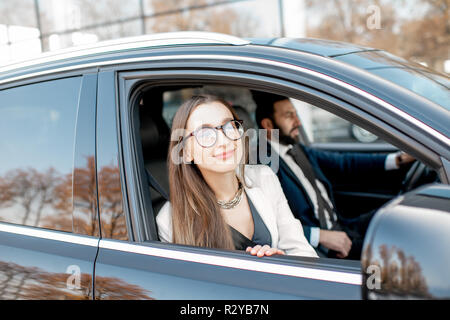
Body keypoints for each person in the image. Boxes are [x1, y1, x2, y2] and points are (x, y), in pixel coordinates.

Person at [253, 91, 415, 260]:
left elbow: (344, 163)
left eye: (296, 114)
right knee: (400, 253)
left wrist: (398, 159)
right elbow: (269, 223)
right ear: (268, 125)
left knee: (397, 216)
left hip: (342, 226)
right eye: (289, 116)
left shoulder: (297, 150)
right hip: (322, 249)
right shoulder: (262, 164)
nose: (298, 122)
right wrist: (320, 236)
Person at [156, 95, 318, 258]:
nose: (224, 140)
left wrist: (280, 259)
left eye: (229, 126)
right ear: (186, 152)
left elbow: (303, 252)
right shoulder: (170, 220)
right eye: (205, 134)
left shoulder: (264, 177)